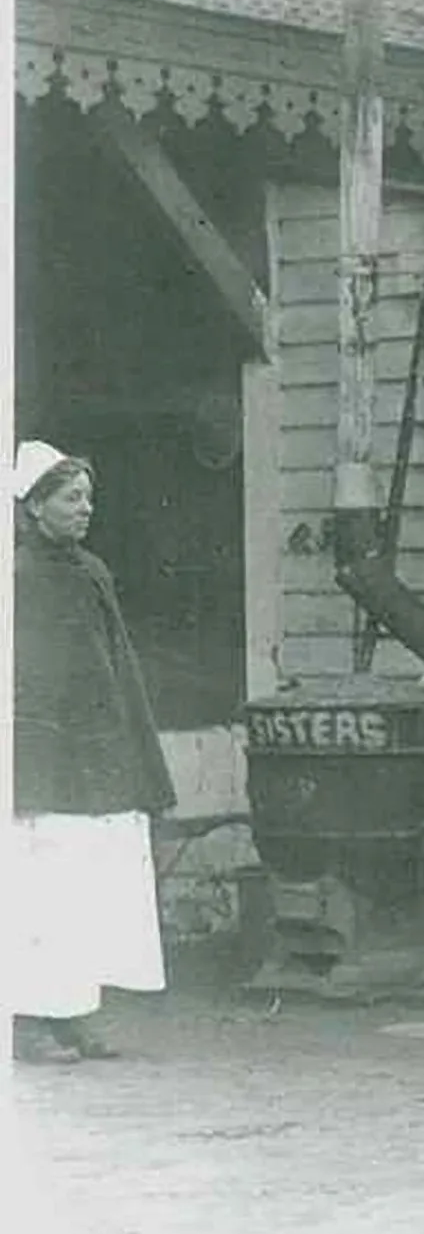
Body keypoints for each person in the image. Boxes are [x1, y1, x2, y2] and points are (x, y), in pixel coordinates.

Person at [10, 441, 178, 1064]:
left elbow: (114, 668)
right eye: (71, 498)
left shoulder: (92, 571)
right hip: (42, 763)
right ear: (34, 507)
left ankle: (74, 1012)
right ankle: (26, 1019)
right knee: (38, 886)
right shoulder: (18, 578)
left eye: (89, 498)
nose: (85, 509)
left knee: (85, 885)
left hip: (97, 757)